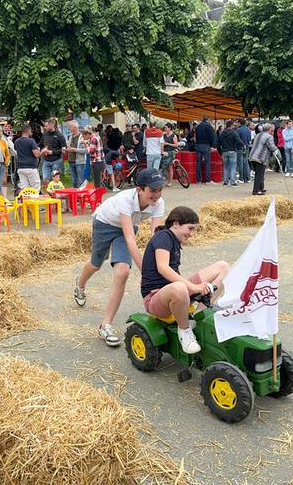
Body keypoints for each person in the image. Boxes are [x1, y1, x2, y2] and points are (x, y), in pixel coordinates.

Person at [74, 168, 166, 347]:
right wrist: (146, 272)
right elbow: (131, 239)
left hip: (127, 230)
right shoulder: (126, 200)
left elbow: (155, 238)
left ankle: (105, 325)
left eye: (160, 189)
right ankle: (80, 285)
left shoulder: (159, 203)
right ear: (140, 189)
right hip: (104, 224)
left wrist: (159, 264)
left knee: (122, 272)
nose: (157, 194)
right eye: (152, 190)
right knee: (95, 265)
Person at [140, 206, 230, 353]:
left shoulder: (174, 241)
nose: (192, 234)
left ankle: (199, 313)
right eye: (190, 228)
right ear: (176, 224)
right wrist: (193, 287)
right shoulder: (164, 236)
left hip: (175, 291)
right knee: (180, 287)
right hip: (155, 297)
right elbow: (163, 268)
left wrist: (200, 288)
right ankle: (185, 330)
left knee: (223, 267)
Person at [248, 123, 278, 196]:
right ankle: (256, 190)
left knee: (259, 173)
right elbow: (272, 147)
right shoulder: (269, 137)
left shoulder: (258, 135)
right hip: (260, 157)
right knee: (260, 174)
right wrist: (276, 150)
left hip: (252, 156)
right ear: (269, 130)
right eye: (272, 130)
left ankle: (261, 188)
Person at [216, 120, 244, 187]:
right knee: (233, 167)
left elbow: (218, 144)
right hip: (232, 151)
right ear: (231, 126)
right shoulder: (234, 133)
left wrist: (220, 152)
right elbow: (239, 141)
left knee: (225, 167)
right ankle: (233, 182)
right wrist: (242, 145)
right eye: (233, 125)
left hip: (224, 152)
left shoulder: (221, 133)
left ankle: (225, 182)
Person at [14, 124, 41, 191]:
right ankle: (35, 200)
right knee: (36, 188)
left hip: (21, 167)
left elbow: (17, 150)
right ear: (28, 131)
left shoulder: (17, 141)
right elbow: (36, 154)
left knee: (25, 189)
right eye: (31, 130)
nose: (31, 132)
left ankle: (26, 201)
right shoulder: (31, 141)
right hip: (31, 167)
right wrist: (42, 151)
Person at [40, 118, 67, 186]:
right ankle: (49, 194)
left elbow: (64, 149)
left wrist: (52, 152)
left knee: (55, 181)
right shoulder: (45, 134)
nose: (45, 128)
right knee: (45, 180)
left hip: (56, 161)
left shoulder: (60, 136)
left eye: (46, 126)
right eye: (44, 126)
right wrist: (42, 149)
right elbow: (40, 144)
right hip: (46, 161)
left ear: (52, 125)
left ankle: (55, 195)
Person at [194, 116, 216, 185]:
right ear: (208, 120)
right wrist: (213, 146)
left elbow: (195, 137)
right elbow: (213, 136)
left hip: (198, 145)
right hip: (206, 145)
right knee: (207, 163)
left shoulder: (198, 127)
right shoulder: (208, 126)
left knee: (198, 163)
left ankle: (198, 180)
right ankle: (208, 180)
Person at [66, 121, 87, 187]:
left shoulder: (82, 137)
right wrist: (67, 150)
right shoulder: (70, 137)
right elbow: (69, 147)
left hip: (80, 162)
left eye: (70, 127)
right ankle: (75, 195)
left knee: (81, 180)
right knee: (74, 181)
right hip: (71, 161)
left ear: (74, 127)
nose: (69, 129)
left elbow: (86, 150)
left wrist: (75, 150)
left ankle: (82, 195)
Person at [235, 119, 252, 183]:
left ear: (239, 123)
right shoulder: (248, 130)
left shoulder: (238, 130)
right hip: (247, 146)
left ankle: (241, 178)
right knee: (246, 162)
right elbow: (250, 139)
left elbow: (236, 139)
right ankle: (247, 178)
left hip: (239, 147)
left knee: (240, 163)